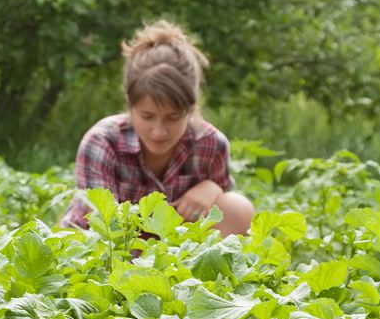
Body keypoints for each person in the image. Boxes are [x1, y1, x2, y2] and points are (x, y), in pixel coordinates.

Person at [61, 20, 254, 236]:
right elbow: (101, 228)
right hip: (102, 254)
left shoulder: (211, 145)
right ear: (130, 105)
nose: (159, 131)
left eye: (172, 118)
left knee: (237, 208)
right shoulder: (102, 141)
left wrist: (213, 187)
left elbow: (223, 222)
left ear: (191, 109)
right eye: (147, 116)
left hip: (173, 258)